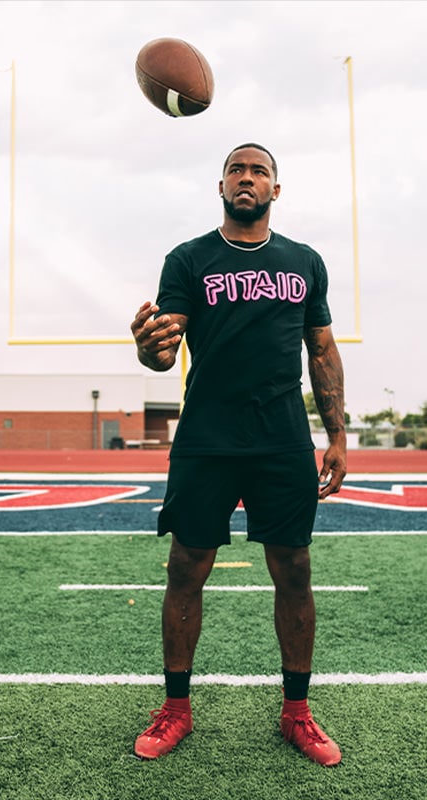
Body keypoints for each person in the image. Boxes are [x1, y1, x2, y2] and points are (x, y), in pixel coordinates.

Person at [130, 143, 346, 766]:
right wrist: (147, 348)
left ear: (276, 189)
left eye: (260, 171)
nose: (247, 177)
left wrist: (335, 435)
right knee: (186, 567)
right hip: (207, 436)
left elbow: (323, 351)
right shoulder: (189, 258)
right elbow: (164, 349)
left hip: (281, 437)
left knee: (295, 570)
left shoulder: (304, 261)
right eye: (237, 169)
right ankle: (175, 708)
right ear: (220, 185)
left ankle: (298, 713)